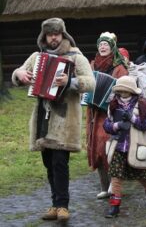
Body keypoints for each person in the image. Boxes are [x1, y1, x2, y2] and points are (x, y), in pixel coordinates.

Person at [12, 18, 95, 221]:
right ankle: (54, 204)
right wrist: (20, 74)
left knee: (60, 162)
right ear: (45, 36)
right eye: (50, 34)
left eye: (57, 34)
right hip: (43, 116)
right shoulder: (37, 56)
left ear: (63, 34)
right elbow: (19, 73)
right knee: (48, 162)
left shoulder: (75, 56)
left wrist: (71, 81)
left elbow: (91, 82)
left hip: (65, 118)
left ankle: (63, 206)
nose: (54, 38)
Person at [103, 76, 146, 218]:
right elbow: (106, 125)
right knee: (116, 176)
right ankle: (114, 207)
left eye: (126, 90)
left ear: (132, 90)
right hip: (118, 146)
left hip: (136, 147)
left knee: (141, 176)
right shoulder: (113, 104)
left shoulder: (143, 104)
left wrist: (132, 119)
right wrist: (116, 125)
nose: (123, 92)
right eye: (120, 89)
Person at [86, 32, 128, 199]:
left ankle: (114, 183)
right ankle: (104, 186)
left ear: (112, 47)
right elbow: (85, 82)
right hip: (93, 112)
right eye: (100, 44)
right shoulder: (91, 65)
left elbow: (125, 88)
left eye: (106, 44)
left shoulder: (119, 67)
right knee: (95, 148)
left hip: (111, 113)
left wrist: (113, 97)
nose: (102, 47)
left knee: (107, 147)